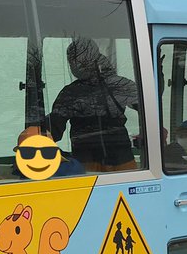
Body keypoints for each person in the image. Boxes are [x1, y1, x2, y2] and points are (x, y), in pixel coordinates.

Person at [44, 37, 139, 172]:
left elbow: (53, 131)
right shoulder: (120, 85)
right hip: (120, 159)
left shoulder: (70, 93)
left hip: (88, 162)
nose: (75, 66)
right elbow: (148, 107)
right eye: (72, 62)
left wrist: (36, 130)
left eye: (78, 61)